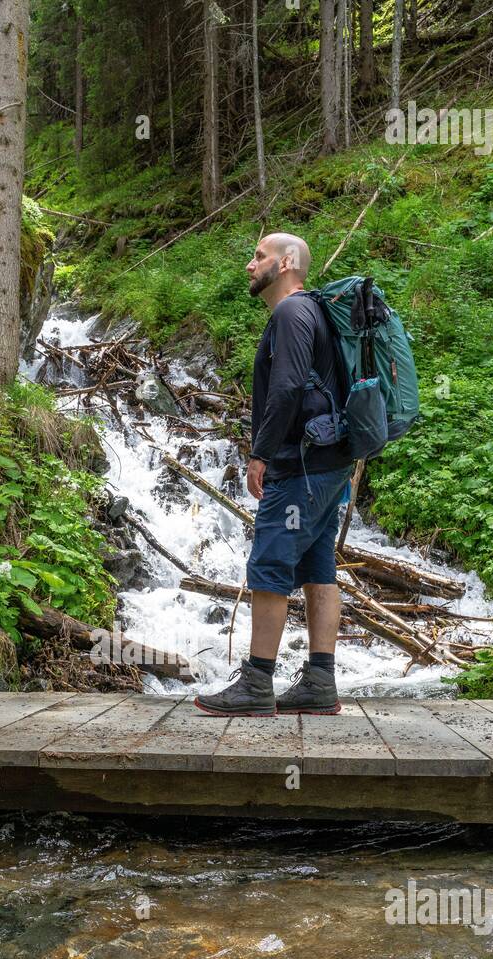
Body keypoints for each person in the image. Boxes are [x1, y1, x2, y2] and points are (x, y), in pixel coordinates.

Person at [194, 232, 353, 718]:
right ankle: (320, 682)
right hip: (329, 464)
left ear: (286, 263)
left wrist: (260, 454)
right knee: (317, 567)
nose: (249, 265)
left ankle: (258, 683)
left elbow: (285, 388)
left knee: (269, 565)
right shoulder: (313, 312)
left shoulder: (290, 313)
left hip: (299, 466)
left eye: (258, 256)